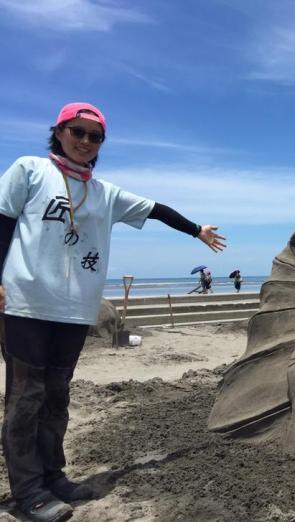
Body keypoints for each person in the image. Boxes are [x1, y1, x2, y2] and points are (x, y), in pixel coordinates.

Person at [0, 102, 226, 521]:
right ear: (60, 131)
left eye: (94, 136)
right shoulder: (29, 169)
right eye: (77, 131)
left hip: (73, 309)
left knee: (57, 395)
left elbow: (156, 209)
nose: (85, 141)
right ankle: (27, 492)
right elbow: (1, 222)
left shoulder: (104, 192)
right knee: (25, 397)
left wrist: (196, 229)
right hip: (26, 303)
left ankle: (53, 477)